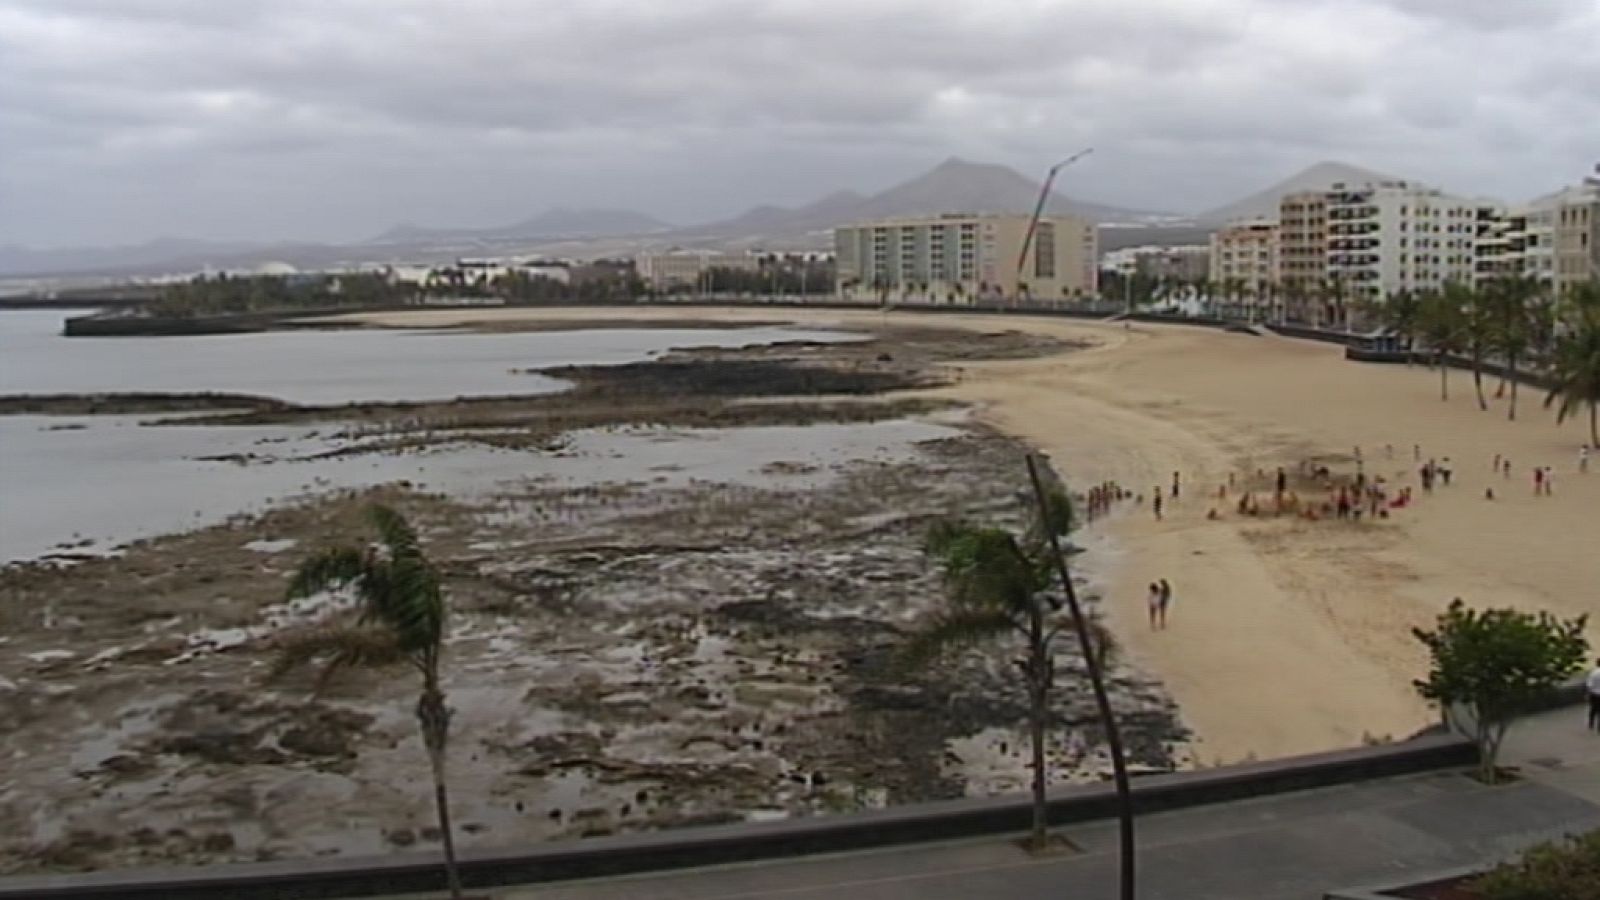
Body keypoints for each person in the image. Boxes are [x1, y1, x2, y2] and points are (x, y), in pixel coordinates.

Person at [1588, 659, 1600, 732]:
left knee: (1593, 709)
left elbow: (1590, 685)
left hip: (1594, 694)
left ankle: (1591, 723)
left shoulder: (1593, 673)